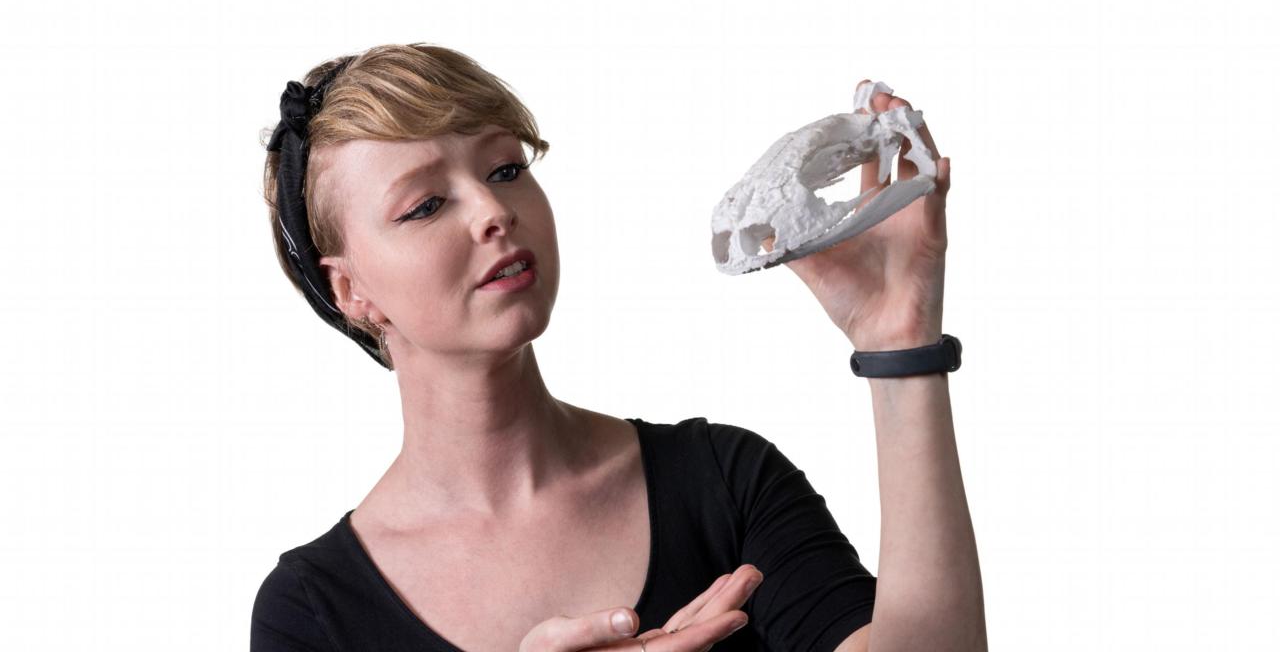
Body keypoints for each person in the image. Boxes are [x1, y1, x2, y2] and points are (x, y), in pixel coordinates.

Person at [250, 43, 985, 652]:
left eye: (505, 168)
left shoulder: (725, 483)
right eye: (426, 205)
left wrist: (901, 348)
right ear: (349, 291)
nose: (494, 211)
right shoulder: (312, 612)